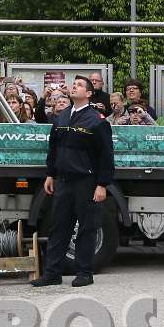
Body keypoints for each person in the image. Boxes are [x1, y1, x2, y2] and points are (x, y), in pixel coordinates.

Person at [32, 77, 115, 288]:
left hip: (86, 182)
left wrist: (102, 184)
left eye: (79, 85)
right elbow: (53, 148)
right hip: (64, 181)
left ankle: (84, 273)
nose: (74, 87)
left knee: (87, 228)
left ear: (88, 93)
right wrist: (51, 174)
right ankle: (52, 273)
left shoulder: (97, 120)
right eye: (74, 84)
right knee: (58, 227)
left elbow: (106, 155)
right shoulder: (62, 117)